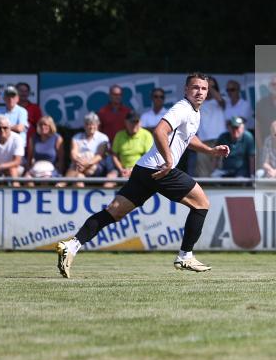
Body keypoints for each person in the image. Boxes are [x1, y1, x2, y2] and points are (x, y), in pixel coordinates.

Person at [56, 72, 231, 277]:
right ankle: (185, 256)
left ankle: (72, 246)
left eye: (203, 88)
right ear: (186, 89)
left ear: (208, 92)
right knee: (201, 203)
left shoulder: (194, 112)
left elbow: (188, 138)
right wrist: (168, 160)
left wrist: (210, 151)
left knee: (114, 212)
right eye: (195, 87)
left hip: (144, 169)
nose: (199, 92)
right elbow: (159, 131)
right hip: (160, 168)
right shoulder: (182, 108)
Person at [65, 112, 117, 186]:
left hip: (96, 166)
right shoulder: (76, 137)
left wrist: (87, 163)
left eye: (94, 124)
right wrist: (80, 162)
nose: (91, 127)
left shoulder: (103, 137)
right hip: (79, 165)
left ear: (98, 125)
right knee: (79, 178)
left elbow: (100, 156)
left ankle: (62, 183)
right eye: (88, 124)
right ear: (84, 125)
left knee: (80, 164)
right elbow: (73, 153)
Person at [191, 76, 226, 177]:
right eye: (206, 87)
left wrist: (210, 87)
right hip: (203, 141)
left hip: (219, 140)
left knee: (218, 170)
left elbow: (221, 101)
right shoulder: (198, 102)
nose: (209, 89)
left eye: (212, 86)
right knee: (203, 170)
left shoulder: (221, 99)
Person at [111, 111, 154, 178]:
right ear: (126, 122)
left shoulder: (146, 135)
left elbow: (148, 157)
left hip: (141, 169)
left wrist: (131, 170)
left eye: (136, 122)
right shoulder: (119, 135)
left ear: (140, 123)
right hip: (121, 170)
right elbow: (114, 155)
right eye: (132, 122)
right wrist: (121, 169)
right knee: (110, 178)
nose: (134, 124)